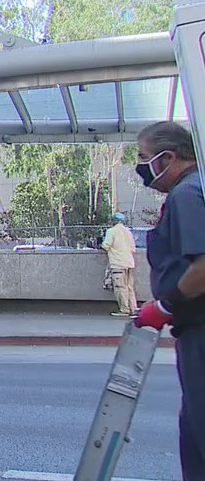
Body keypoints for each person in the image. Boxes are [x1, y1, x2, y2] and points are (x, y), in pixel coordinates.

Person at [131, 121, 205, 478]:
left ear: (168, 158)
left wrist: (164, 306)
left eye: (145, 158)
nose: (142, 166)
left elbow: (203, 267)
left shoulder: (187, 195)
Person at [101, 212, 137, 317]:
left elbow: (106, 245)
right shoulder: (128, 232)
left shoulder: (111, 231)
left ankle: (124, 309)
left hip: (118, 263)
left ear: (114, 221)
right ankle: (133, 309)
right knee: (129, 286)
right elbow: (133, 248)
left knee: (120, 287)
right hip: (129, 262)